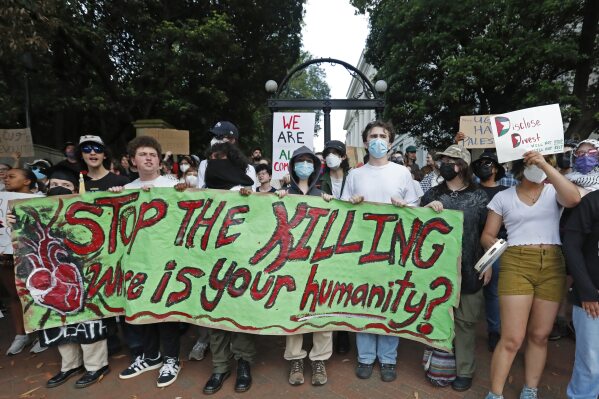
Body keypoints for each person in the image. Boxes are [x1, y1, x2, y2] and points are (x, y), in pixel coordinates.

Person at [481, 151, 581, 399]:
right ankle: (495, 393)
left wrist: (546, 166)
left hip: (552, 264)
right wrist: (494, 245)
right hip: (516, 262)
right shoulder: (503, 197)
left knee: (539, 335)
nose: (536, 166)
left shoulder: (553, 192)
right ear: (520, 167)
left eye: (543, 162)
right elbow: (487, 235)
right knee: (512, 338)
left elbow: (574, 199)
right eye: (532, 162)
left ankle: (530, 389)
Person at [341, 121, 420, 382]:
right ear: (365, 142)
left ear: (390, 141)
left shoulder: (403, 173)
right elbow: (341, 212)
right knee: (362, 300)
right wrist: (351, 205)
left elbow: (415, 208)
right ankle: (365, 357)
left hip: (395, 248)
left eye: (382, 136)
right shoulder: (355, 174)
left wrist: (404, 205)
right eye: (373, 136)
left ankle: (388, 359)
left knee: (390, 301)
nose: (377, 140)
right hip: (361, 249)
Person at [114, 136, 182, 388]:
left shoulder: (172, 186)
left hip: (166, 260)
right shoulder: (127, 189)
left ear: (159, 159)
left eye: (153, 154)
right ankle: (151, 356)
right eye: (143, 154)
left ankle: (172, 359)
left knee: (166, 312)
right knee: (142, 309)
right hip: (137, 262)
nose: (148, 158)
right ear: (133, 160)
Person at [421, 145, 490, 391]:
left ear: (462, 166)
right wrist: (427, 212)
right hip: (437, 269)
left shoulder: (480, 195)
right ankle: (439, 365)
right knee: (438, 316)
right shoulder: (431, 194)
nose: (445, 165)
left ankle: (465, 370)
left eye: (451, 161)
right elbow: (418, 229)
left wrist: (487, 264)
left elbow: (488, 234)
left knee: (466, 322)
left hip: (471, 269)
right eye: (443, 160)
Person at [41, 166, 111, 389]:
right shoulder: (35, 208)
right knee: (57, 320)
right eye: (54, 185)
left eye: (66, 186)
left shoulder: (87, 209)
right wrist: (14, 218)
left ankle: (96, 365)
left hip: (83, 273)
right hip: (51, 276)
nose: (59, 189)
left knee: (87, 318)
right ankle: (69, 364)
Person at [194, 142, 255, 395]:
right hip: (209, 260)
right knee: (214, 311)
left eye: (221, 157)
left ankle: (243, 363)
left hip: (240, 261)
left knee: (238, 312)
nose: (215, 161)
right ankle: (220, 366)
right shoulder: (202, 191)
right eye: (212, 157)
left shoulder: (244, 190)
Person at [278, 146, 332, 386]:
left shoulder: (323, 192)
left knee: (323, 308)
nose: (305, 165)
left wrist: (332, 204)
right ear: (292, 165)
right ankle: (296, 358)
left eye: (309, 162)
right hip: (292, 261)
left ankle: (319, 359)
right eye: (300, 161)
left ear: (316, 167)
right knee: (293, 309)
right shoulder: (284, 192)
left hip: (321, 261)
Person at [562, 189, 599, 399]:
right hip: (592, 300)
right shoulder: (592, 202)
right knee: (590, 362)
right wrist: (588, 292)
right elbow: (572, 246)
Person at [1, 168, 41, 355]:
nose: (6, 179)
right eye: (5, 177)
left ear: (27, 181)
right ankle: (21, 335)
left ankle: (43, 333)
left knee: (37, 293)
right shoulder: (1, 201)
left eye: (11, 176)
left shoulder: (42, 199)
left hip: (34, 255)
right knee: (14, 295)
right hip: (6, 256)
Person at [472, 152, 508, 352]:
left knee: (493, 290)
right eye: (479, 164)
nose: (482, 167)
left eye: (487, 164)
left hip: (495, 246)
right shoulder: (471, 190)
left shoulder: (506, 192)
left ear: (495, 168)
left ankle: (494, 330)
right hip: (470, 244)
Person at [320, 140, 351, 354]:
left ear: (343, 157)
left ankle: (343, 332)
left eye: (335, 153)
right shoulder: (319, 180)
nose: (331, 157)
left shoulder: (354, 178)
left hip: (350, 238)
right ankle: (329, 329)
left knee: (347, 285)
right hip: (326, 239)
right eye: (328, 153)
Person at [196, 121, 257, 190]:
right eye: (214, 136)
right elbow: (200, 191)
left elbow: (252, 196)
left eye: (219, 136)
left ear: (232, 140)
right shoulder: (204, 164)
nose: (214, 139)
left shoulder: (248, 168)